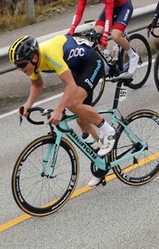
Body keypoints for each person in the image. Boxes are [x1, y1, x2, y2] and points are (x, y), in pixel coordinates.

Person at [11, 34, 114, 186]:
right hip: (77, 69)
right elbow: (37, 85)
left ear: (33, 57)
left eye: (21, 64)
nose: (20, 69)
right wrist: (27, 105)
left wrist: (59, 110)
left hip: (91, 62)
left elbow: (71, 86)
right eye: (16, 65)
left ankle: (110, 132)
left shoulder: (49, 54)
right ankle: (101, 161)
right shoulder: (33, 63)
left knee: (72, 104)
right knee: (82, 121)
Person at [67, 0, 138, 79]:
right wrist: (72, 29)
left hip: (124, 5)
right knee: (96, 35)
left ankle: (133, 56)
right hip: (112, 7)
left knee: (115, 35)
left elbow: (108, 16)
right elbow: (79, 12)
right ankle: (107, 63)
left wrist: (105, 35)